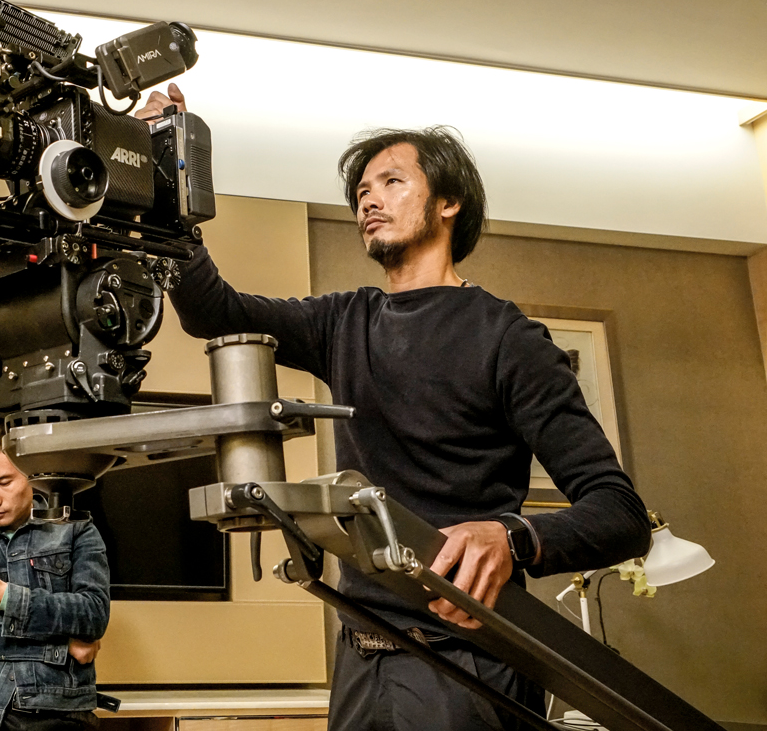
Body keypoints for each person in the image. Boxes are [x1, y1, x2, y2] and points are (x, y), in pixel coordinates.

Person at [139, 84, 651, 730]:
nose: (368, 201)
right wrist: (166, 183)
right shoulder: (344, 321)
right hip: (362, 656)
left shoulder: (509, 340)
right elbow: (216, 312)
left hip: (466, 662)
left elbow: (620, 513)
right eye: (361, 192)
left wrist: (512, 536)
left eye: (390, 181)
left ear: (448, 202)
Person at [0, 416, 110, 731]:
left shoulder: (77, 531)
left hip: (58, 717)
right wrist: (60, 646)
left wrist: (6, 598)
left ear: (30, 473)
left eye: (4, 482)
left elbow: (93, 614)